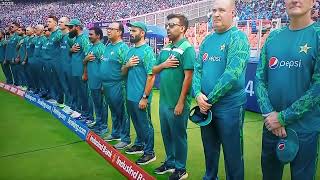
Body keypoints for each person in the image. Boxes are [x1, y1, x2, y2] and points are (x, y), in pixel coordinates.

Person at [255, 0, 320, 179]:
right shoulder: (273, 37)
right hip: (271, 125)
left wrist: (283, 117)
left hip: (305, 129)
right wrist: (270, 115)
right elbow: (260, 78)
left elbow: (318, 87)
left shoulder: (318, 35)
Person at [193, 0, 250, 179]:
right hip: (206, 106)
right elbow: (197, 69)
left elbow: (231, 75)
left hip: (230, 106)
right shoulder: (207, 40)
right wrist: (197, 93)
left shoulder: (238, 38)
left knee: (233, 154)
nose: (216, 14)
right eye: (214, 10)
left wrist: (207, 100)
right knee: (209, 150)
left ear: (232, 13)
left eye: (222, 10)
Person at [152, 14, 195, 180]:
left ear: (182, 28)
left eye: (172, 25)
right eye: (167, 25)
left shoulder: (187, 49)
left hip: (177, 103)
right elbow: (154, 70)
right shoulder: (165, 48)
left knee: (179, 136)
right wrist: (164, 64)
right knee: (166, 134)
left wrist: (181, 102)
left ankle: (181, 168)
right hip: (164, 102)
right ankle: (170, 163)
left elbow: (188, 77)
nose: (168, 28)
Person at [121, 22, 156, 165]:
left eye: (134, 30)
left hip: (141, 97)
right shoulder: (130, 51)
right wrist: (127, 65)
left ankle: (149, 152)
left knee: (146, 124)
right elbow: (122, 72)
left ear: (142, 33)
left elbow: (151, 76)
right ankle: (140, 144)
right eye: (130, 30)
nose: (131, 33)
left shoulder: (147, 51)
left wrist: (145, 97)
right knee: (137, 123)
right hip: (130, 95)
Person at [99, 22, 131, 150]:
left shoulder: (123, 48)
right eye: (108, 28)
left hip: (118, 84)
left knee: (121, 111)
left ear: (119, 32)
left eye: (112, 29)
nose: (108, 31)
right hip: (106, 84)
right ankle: (115, 133)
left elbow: (126, 67)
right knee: (113, 110)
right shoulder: (107, 46)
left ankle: (125, 138)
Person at [83, 26, 108, 137]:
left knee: (101, 105)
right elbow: (86, 62)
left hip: (99, 82)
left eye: (91, 34)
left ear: (98, 35)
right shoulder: (90, 47)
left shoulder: (101, 48)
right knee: (96, 104)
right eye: (89, 34)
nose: (89, 36)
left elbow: (104, 66)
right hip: (92, 81)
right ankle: (98, 122)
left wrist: (103, 83)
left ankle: (103, 127)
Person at [67, 19, 93, 122]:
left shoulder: (84, 39)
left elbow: (88, 56)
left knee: (85, 94)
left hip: (82, 72)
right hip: (76, 71)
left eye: (70, 27)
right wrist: (70, 50)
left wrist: (85, 72)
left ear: (77, 27)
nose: (69, 30)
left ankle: (88, 116)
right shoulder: (76, 39)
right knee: (79, 93)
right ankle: (81, 112)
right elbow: (73, 53)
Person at [58, 17, 74, 115]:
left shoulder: (70, 37)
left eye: (61, 22)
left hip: (69, 66)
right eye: (59, 22)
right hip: (62, 66)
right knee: (65, 86)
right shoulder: (61, 37)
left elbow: (76, 51)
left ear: (67, 24)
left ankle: (71, 106)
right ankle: (67, 104)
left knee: (70, 87)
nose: (59, 23)